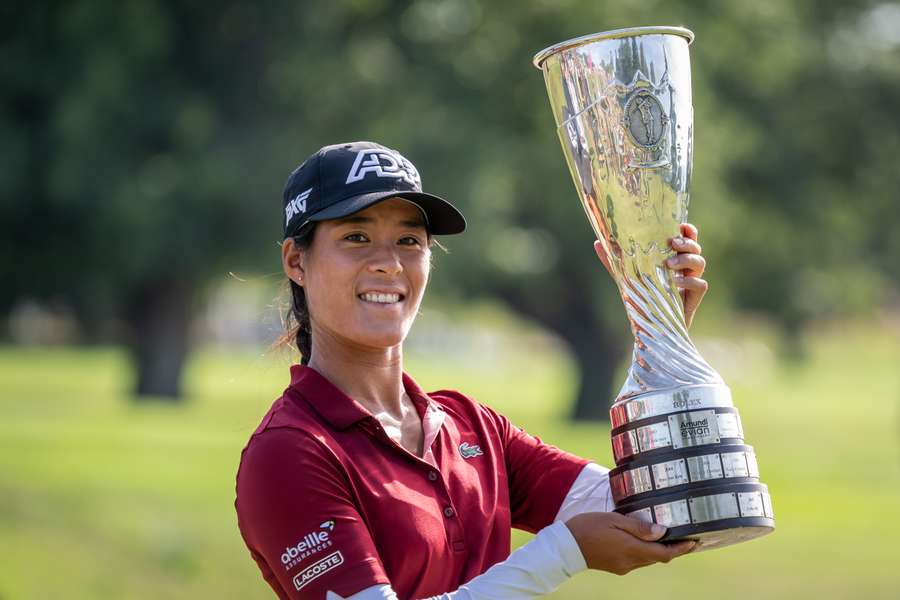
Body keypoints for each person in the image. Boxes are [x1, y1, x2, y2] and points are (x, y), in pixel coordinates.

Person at [234, 141, 708, 599]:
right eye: (356, 237)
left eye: (409, 241)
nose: (388, 263)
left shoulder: (470, 425)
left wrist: (659, 333)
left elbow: (654, 511)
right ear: (297, 260)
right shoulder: (288, 451)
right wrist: (562, 553)